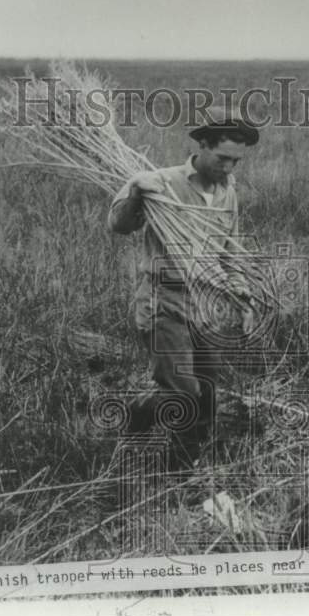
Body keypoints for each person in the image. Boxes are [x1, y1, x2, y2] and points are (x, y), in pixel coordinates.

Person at [108, 108, 259, 467]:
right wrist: (134, 194)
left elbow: (228, 251)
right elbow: (118, 224)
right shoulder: (160, 181)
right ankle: (147, 440)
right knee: (184, 394)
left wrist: (243, 296)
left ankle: (189, 461)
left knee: (206, 393)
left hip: (208, 305)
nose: (229, 168)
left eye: (236, 161)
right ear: (202, 144)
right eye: (223, 158)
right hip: (165, 301)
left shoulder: (228, 191)